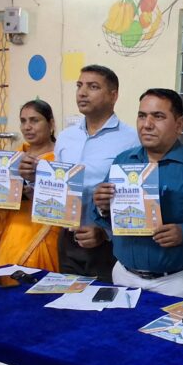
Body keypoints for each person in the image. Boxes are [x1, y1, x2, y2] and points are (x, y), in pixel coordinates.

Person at [20, 65, 138, 282]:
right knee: (65, 299)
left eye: (93, 87)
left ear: (113, 96)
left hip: (108, 244)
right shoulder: (66, 137)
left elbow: (134, 200)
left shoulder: (131, 140)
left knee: (104, 301)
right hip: (67, 239)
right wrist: (34, 179)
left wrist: (105, 232)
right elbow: (57, 189)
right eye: (79, 85)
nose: (82, 93)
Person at [93, 88, 183, 298]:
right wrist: (102, 207)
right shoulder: (123, 161)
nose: (147, 124)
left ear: (179, 125)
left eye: (158, 117)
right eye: (142, 116)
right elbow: (104, 218)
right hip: (124, 275)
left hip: (175, 281)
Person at [0, 100, 61, 270]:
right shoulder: (11, 159)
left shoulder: (59, 160)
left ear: (51, 124)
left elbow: (63, 205)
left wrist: (32, 189)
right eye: (23, 121)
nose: (27, 127)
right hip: (10, 234)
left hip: (45, 236)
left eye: (34, 120)